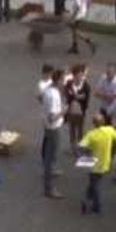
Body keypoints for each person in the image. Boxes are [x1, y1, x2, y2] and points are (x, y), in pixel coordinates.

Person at [77, 112, 116, 215]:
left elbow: (81, 146)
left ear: (94, 123)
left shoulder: (91, 134)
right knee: (94, 181)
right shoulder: (109, 130)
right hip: (105, 162)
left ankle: (97, 206)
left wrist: (85, 153)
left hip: (94, 164)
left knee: (95, 184)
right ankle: (87, 198)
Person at [41, 68, 66, 199]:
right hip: (53, 128)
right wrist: (63, 111)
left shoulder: (48, 89)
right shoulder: (53, 95)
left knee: (50, 155)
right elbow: (52, 117)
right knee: (51, 157)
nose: (64, 82)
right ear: (59, 80)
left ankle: (51, 171)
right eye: (63, 79)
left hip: (47, 126)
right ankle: (49, 188)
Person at [63, 64, 91, 150]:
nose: (79, 77)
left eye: (80, 75)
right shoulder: (69, 84)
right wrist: (77, 96)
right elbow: (67, 95)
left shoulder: (86, 85)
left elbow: (85, 97)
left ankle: (80, 146)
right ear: (73, 76)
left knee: (80, 129)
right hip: (71, 111)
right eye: (77, 75)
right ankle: (72, 146)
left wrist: (74, 95)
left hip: (81, 112)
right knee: (71, 129)